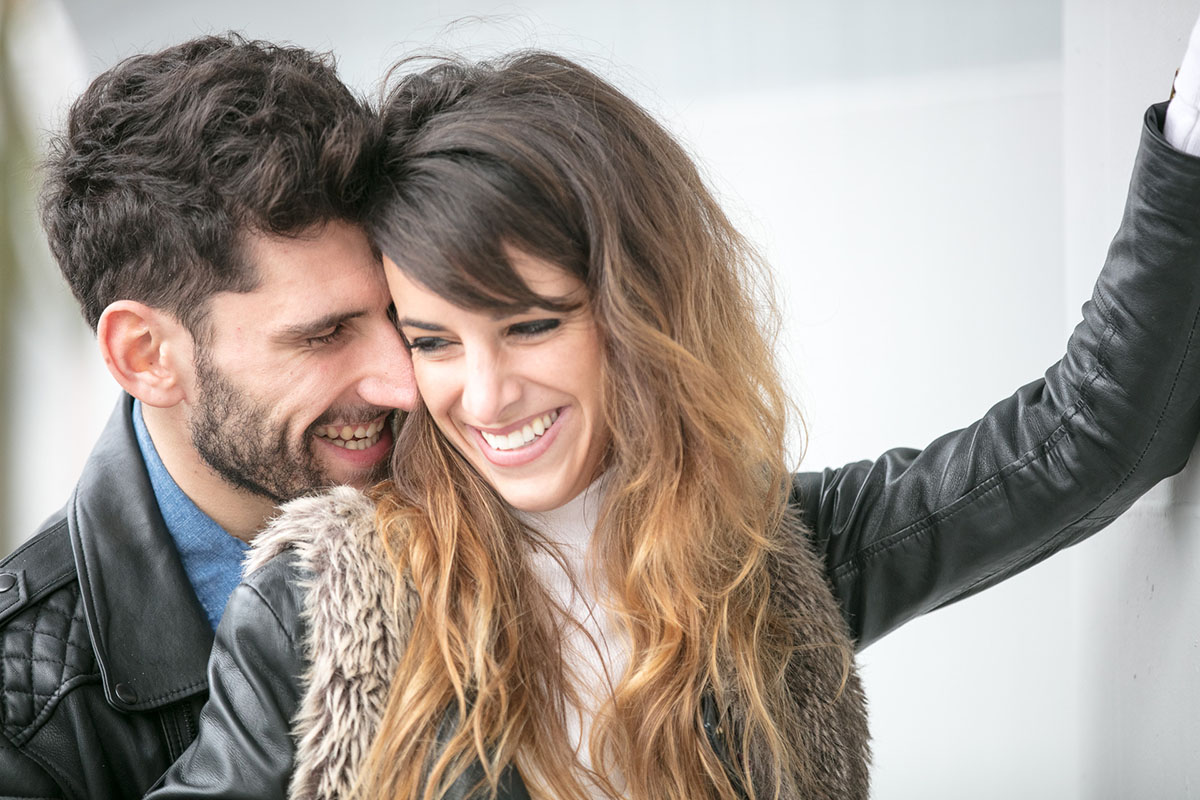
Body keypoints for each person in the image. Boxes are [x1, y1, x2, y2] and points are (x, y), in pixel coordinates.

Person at [149, 32, 1200, 800]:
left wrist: (1189, 136)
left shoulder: (773, 560)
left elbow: (1095, 436)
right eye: (432, 341)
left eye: (529, 325)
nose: (485, 393)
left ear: (632, 311)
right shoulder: (328, 598)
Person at [0, 35, 415, 799]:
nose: (405, 383)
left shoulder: (506, 497)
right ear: (147, 354)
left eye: (401, 315)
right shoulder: (23, 723)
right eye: (324, 334)